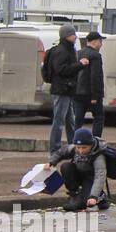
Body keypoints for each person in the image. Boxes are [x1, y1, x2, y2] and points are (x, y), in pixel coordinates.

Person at [48, 127, 111, 212]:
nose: (80, 151)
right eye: (78, 147)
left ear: (91, 145)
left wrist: (93, 196)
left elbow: (100, 177)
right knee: (66, 167)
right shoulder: (75, 148)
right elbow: (61, 152)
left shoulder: (98, 156)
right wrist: (51, 162)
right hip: (79, 174)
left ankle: (101, 198)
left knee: (85, 203)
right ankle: (74, 196)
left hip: (90, 179)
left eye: (84, 148)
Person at [45, 23, 82, 154]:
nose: (75, 37)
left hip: (67, 90)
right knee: (59, 121)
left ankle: (74, 146)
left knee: (69, 120)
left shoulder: (68, 49)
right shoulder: (62, 51)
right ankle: (54, 149)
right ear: (67, 36)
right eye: (73, 34)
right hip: (61, 90)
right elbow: (61, 70)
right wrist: (79, 65)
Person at [74, 31, 106, 137]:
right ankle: (96, 140)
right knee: (98, 117)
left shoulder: (78, 53)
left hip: (78, 93)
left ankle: (75, 140)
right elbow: (95, 76)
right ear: (96, 42)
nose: (101, 44)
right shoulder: (96, 56)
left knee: (78, 119)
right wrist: (95, 95)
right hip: (91, 93)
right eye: (100, 42)